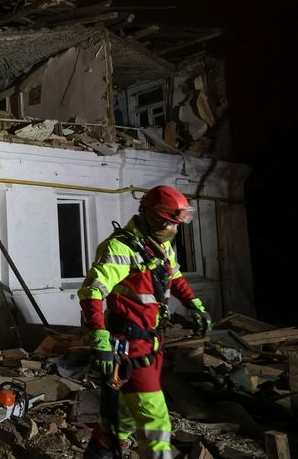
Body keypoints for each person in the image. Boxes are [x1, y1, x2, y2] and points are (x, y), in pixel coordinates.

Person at [78, 185, 213, 459]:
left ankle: (100, 451)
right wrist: (99, 336)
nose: (174, 230)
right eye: (170, 224)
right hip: (130, 346)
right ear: (152, 217)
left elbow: (173, 277)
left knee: (124, 415)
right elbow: (92, 290)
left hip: (152, 342)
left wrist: (193, 304)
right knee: (156, 422)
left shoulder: (159, 246)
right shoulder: (120, 247)